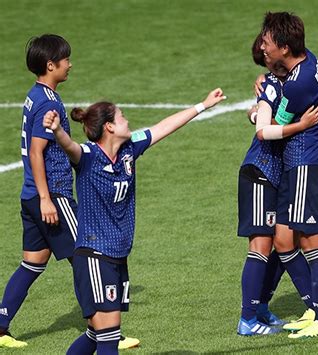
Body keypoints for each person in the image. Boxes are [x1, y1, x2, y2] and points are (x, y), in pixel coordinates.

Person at [43, 88, 225, 354]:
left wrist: (203, 106)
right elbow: (69, 147)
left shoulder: (129, 149)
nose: (127, 120)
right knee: (109, 334)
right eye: (122, 116)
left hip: (117, 255)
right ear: (109, 127)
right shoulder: (88, 156)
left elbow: (163, 127)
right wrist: (58, 131)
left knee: (96, 334)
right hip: (95, 255)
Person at [0, 34, 139, 350]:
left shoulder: (35, 95)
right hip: (52, 195)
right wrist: (48, 198)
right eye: (66, 60)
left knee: (32, 262)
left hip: (30, 195)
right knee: (87, 254)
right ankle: (105, 329)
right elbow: (37, 152)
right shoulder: (49, 102)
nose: (70, 64)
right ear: (51, 65)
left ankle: (0, 324)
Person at [237, 34, 318, 336]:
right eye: (264, 55)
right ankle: (247, 320)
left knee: (281, 241)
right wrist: (300, 125)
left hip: (276, 175)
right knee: (261, 247)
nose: (269, 56)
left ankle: (261, 308)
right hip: (260, 173)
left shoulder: (287, 81)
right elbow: (263, 130)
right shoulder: (272, 86)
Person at [257, 12, 318, 339]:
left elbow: (271, 129)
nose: (263, 46)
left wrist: (260, 100)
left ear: (285, 48)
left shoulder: (298, 85)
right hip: (300, 165)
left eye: (268, 42)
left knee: (311, 241)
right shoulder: (308, 60)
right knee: (284, 239)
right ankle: (314, 309)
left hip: (307, 165)